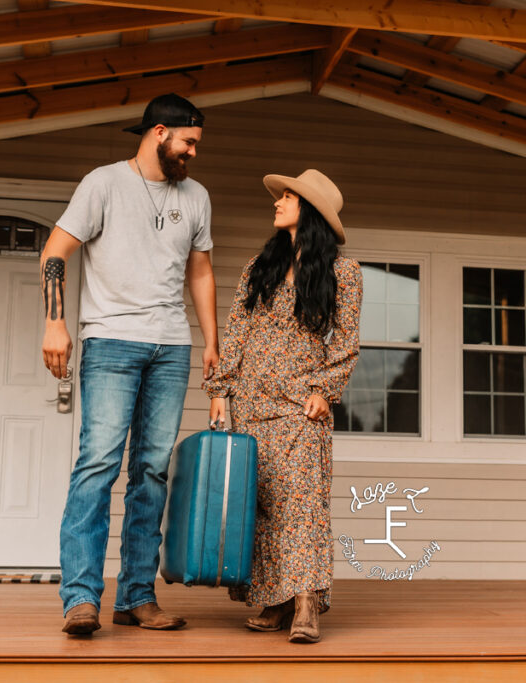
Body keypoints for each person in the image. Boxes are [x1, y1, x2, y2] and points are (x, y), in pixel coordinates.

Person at [40, 93, 219, 636]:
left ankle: (137, 596)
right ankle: (80, 599)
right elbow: (55, 250)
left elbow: (202, 272)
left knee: (152, 471)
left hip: (172, 347)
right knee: (98, 465)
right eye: (187, 142)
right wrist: (54, 322)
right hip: (112, 342)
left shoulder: (197, 196)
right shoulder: (104, 183)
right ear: (160, 132)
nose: (192, 153)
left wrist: (212, 341)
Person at [202, 169, 362, 644]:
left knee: (304, 505)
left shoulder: (343, 273)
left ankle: (308, 602)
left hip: (301, 406)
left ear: (309, 211)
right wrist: (219, 390)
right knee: (264, 506)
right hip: (252, 403)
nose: (278, 202)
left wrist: (325, 391)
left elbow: (347, 343)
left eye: (288, 197)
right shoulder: (260, 267)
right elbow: (237, 333)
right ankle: (275, 599)